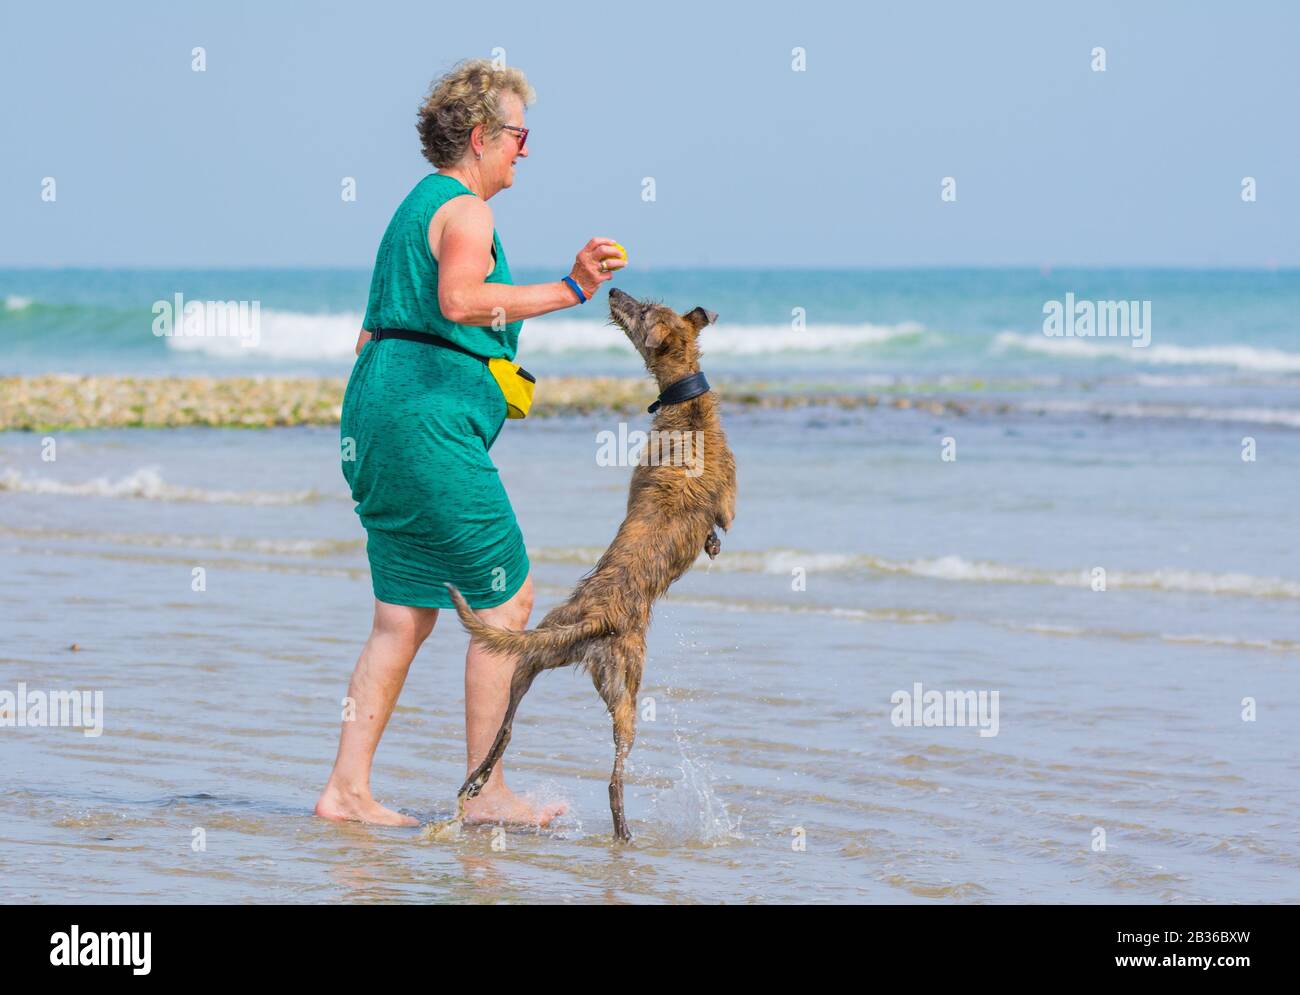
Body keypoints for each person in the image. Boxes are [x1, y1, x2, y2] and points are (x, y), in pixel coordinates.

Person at [315, 59, 626, 826]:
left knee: (403, 615)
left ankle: (345, 790)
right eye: (519, 136)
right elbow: (460, 299)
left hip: (378, 419)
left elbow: (373, 329)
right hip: (425, 430)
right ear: (482, 136)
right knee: (506, 597)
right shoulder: (467, 212)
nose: (525, 150)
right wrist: (573, 289)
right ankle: (484, 792)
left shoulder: (412, 208)